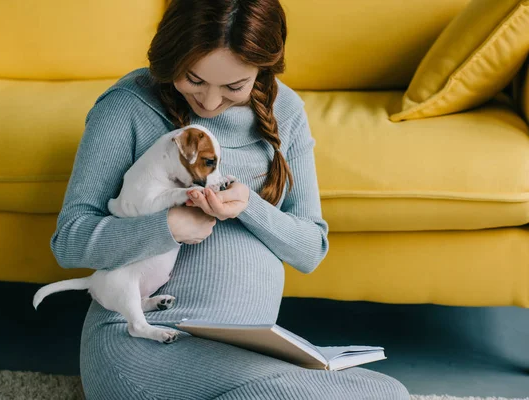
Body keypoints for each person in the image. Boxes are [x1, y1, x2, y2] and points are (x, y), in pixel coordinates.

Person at [50, 0, 411, 398]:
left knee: (387, 392)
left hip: (243, 350)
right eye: (194, 78)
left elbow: (311, 249)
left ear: (263, 68)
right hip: (144, 339)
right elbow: (70, 240)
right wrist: (166, 226)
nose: (208, 102)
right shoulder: (129, 107)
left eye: (233, 86)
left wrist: (250, 206)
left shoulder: (285, 110)